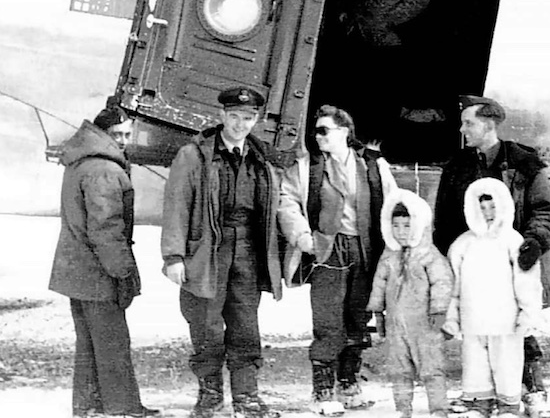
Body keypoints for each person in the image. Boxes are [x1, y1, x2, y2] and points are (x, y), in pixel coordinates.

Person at [433, 95, 550, 418]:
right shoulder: (456, 167)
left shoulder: (523, 162)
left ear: (489, 125)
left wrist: (534, 243)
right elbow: (445, 220)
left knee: (521, 330)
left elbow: (546, 209)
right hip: (475, 270)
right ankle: (481, 397)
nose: (463, 130)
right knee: (477, 335)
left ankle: (534, 391)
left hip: (517, 263)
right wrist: (447, 264)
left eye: (469, 123)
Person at [161, 87, 282, 418]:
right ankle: (210, 393)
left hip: (247, 249)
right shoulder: (194, 155)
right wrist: (173, 257)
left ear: (255, 119)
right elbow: (176, 206)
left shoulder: (261, 158)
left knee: (245, 322)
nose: (240, 124)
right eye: (234, 117)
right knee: (206, 323)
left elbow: (272, 209)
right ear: (222, 116)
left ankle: (247, 396)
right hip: (207, 250)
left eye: (247, 118)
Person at [278, 104, 398, 415]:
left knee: (358, 317)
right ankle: (322, 390)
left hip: (365, 249)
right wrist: (304, 238)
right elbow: (287, 199)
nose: (317, 137)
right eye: (315, 131)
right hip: (327, 250)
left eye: (324, 131)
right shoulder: (308, 166)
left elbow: (393, 203)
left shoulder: (372, 166)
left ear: (344, 132)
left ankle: (348, 382)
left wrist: (395, 244)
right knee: (328, 320)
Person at [49, 106, 159, 418]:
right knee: (112, 342)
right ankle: (123, 407)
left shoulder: (79, 161)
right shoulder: (105, 171)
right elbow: (106, 230)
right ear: (103, 134)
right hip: (99, 273)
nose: (124, 141)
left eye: (127, 134)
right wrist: (123, 272)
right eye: (118, 135)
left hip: (75, 272)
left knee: (88, 344)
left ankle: (88, 405)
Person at [442, 178, 543, 418]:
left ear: (504, 206)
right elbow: (452, 285)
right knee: (475, 363)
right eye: (482, 208)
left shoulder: (513, 241)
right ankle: (479, 403)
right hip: (473, 320)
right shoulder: (463, 244)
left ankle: (508, 405)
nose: (488, 213)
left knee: (507, 363)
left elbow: (526, 281)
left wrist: (528, 313)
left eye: (492, 206)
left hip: (505, 322)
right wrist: (451, 316)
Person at [330, 0, 430, 143]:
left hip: (385, 42)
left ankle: (376, 143)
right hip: (357, 35)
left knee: (381, 97)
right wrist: (345, 12)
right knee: (352, 91)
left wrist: (390, 19)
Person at [365, 188, 454, 418]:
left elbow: (442, 283)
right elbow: (380, 283)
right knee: (399, 368)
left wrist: (439, 311)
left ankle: (438, 408)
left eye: (407, 226)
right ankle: (402, 408)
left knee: (431, 367)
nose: (401, 232)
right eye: (396, 226)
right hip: (397, 325)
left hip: (425, 325)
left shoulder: (429, 255)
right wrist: (378, 311)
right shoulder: (389, 256)